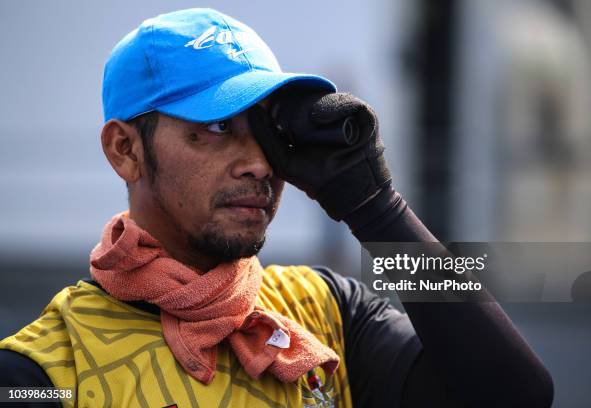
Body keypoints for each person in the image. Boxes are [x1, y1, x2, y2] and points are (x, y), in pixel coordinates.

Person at [0, 8, 553, 408]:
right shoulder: (41, 368)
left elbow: (517, 393)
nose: (259, 163)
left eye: (267, 131)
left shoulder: (326, 309)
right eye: (216, 128)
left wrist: (377, 208)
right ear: (126, 150)